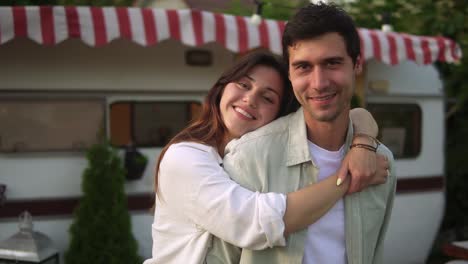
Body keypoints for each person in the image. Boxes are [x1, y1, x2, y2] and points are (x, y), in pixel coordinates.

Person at [143, 51, 389, 264]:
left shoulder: (256, 158)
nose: (250, 99)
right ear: (222, 87)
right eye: (243, 85)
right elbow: (253, 223)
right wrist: (350, 177)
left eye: (267, 97)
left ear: (280, 117)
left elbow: (356, 114)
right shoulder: (184, 156)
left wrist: (363, 142)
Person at [212, 3, 397, 264]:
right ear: (289, 73)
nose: (319, 83)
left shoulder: (381, 162)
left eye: (332, 63)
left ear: (356, 65)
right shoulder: (249, 157)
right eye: (303, 67)